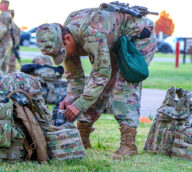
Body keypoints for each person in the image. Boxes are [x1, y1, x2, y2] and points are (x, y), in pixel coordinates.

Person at [36, 5, 157, 159]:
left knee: (123, 86)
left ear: (67, 38)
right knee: (96, 87)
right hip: (112, 42)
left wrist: (79, 105)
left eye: (63, 52)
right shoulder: (66, 37)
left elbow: (101, 74)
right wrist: (70, 99)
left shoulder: (90, 33)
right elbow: (74, 77)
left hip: (138, 37)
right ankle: (83, 137)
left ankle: (129, 145)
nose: (65, 55)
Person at [1, 9, 20, 73]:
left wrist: (14, 46)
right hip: (3, 49)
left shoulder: (15, 27)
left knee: (12, 66)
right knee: (2, 65)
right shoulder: (3, 26)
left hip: (12, 49)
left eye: (12, 14)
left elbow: (17, 39)